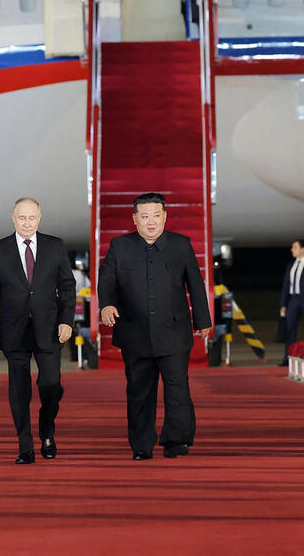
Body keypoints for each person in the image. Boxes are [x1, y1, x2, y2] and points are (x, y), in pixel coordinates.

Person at [98, 193, 212, 460]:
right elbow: (107, 281)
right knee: (139, 391)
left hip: (173, 331)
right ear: (135, 219)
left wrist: (203, 320)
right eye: (145, 216)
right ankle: (141, 444)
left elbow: (195, 284)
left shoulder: (180, 245)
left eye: (156, 215)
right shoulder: (120, 246)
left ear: (165, 217)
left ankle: (177, 440)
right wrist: (107, 305)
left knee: (177, 388)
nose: (151, 222)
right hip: (134, 332)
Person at [0, 197, 75, 464]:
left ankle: (47, 431)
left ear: (40, 217)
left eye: (31, 218)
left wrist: (67, 321)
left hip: (50, 329)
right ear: (13, 218)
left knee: (51, 385)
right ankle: (25, 445)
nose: (27, 223)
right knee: (19, 390)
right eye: (22, 218)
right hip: (14, 331)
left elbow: (68, 287)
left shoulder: (55, 246)